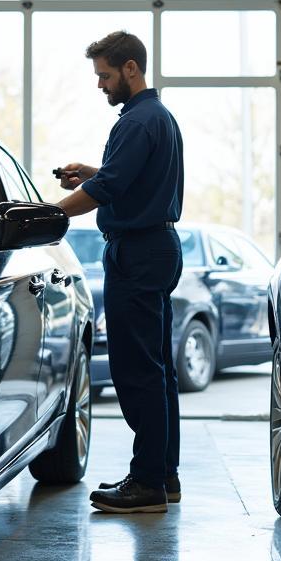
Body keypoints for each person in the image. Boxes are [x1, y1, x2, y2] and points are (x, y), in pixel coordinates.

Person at [53, 31, 184, 513]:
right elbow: (127, 178)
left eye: (105, 75)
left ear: (131, 68)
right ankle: (164, 475)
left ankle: (147, 482)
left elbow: (110, 188)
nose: (101, 85)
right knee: (159, 370)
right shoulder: (158, 118)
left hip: (137, 253)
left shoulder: (137, 121)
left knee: (137, 371)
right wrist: (92, 170)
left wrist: (53, 214)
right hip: (157, 247)